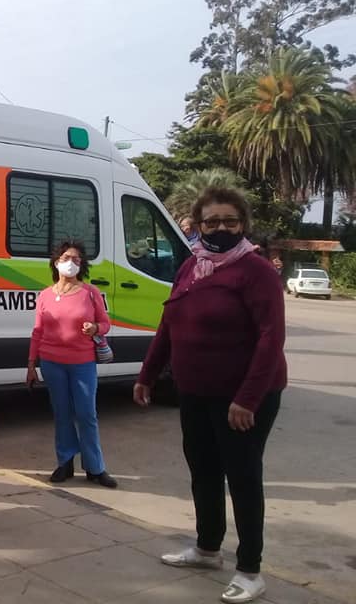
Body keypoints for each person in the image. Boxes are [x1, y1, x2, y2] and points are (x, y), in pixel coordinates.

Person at [134, 186, 286, 604]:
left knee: (243, 477)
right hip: (195, 391)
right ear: (198, 225)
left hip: (243, 397)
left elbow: (271, 339)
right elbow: (169, 322)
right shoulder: (192, 265)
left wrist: (248, 398)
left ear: (243, 225)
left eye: (230, 221)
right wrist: (148, 374)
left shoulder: (256, 271)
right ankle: (207, 549)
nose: (221, 228)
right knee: (203, 471)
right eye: (212, 221)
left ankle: (250, 570)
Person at [27, 239, 116, 489]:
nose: (71, 263)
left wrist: (95, 327)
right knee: (62, 413)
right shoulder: (45, 295)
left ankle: (95, 468)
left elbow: (106, 323)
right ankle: (65, 462)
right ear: (56, 262)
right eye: (66, 258)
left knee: (87, 415)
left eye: (76, 259)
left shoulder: (90, 293)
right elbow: (37, 331)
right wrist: (31, 364)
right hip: (51, 363)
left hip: (82, 363)